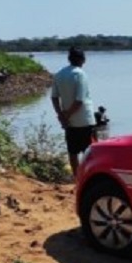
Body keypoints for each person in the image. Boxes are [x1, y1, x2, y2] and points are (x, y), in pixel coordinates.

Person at [51, 47, 95, 176]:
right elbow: (79, 100)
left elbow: (54, 97)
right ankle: (88, 176)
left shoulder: (59, 74)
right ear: (83, 60)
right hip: (84, 119)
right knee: (89, 152)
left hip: (69, 122)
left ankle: (77, 177)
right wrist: (67, 115)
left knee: (72, 151)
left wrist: (61, 115)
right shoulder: (80, 74)